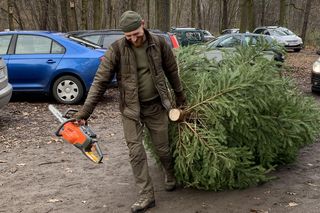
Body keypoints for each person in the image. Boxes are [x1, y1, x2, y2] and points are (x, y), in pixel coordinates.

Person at [74, 10, 186, 213]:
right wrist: (84, 112)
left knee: (163, 149)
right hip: (130, 109)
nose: (134, 39)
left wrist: (180, 99)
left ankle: (169, 173)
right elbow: (100, 82)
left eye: (136, 33)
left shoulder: (159, 43)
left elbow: (172, 72)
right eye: (129, 36)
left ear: (143, 24)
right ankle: (146, 196)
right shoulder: (116, 49)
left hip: (156, 106)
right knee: (136, 153)